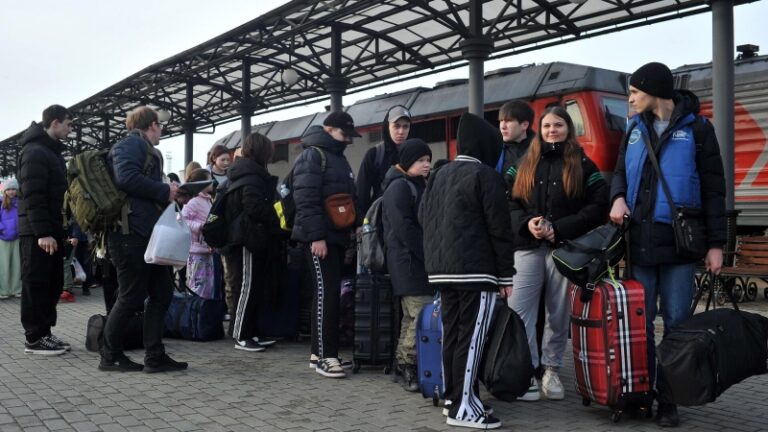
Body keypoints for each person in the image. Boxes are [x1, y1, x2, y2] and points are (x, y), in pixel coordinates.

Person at [609, 62, 726, 428]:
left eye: (635, 92)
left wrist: (716, 244)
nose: (630, 99)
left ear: (655, 91)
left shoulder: (699, 130)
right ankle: (644, 392)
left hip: (679, 245)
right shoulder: (633, 128)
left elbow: (714, 190)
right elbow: (619, 173)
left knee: (677, 322)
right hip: (640, 241)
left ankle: (669, 399)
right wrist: (617, 197)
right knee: (640, 323)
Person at [419, 113, 516, 430]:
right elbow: (500, 229)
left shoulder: (439, 174)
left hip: (442, 272)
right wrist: (505, 275)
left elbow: (423, 217)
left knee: (452, 336)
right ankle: (464, 408)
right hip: (476, 272)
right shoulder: (486, 176)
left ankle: (454, 398)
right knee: (471, 339)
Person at [507, 105, 609, 401]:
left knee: (558, 312)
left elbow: (598, 206)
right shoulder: (522, 164)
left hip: (563, 250)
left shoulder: (583, 164)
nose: (552, 130)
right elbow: (508, 203)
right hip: (527, 246)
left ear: (568, 129)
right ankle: (528, 369)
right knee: (519, 309)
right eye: (547, 126)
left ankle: (551, 369)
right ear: (539, 130)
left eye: (558, 125)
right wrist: (528, 223)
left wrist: (560, 228)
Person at [100, 106, 187, 373]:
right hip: (130, 235)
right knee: (130, 296)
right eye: (160, 126)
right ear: (152, 125)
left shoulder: (141, 148)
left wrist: (171, 193)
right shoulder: (130, 145)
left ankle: (155, 356)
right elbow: (126, 178)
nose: (161, 131)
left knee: (161, 293)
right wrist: (164, 190)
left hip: (146, 234)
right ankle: (110, 355)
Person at [292, 111, 360, 378]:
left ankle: (318, 353)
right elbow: (305, 199)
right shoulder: (313, 156)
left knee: (326, 293)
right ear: (329, 130)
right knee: (327, 294)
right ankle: (326, 356)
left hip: (335, 235)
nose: (348, 141)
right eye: (345, 134)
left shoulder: (336, 157)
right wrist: (316, 236)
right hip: (322, 238)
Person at [16, 104, 72, 355]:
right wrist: (42, 233)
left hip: (51, 229)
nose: (70, 129)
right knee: (36, 283)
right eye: (68, 124)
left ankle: (45, 333)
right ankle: (34, 337)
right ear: (55, 123)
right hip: (38, 232)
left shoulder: (50, 152)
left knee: (52, 283)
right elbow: (33, 195)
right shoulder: (35, 151)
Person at [221, 132, 281, 352]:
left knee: (251, 287)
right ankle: (241, 335)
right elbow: (253, 207)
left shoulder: (243, 173)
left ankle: (251, 332)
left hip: (243, 238)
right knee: (245, 287)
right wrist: (276, 213)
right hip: (246, 239)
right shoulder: (252, 177)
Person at [381, 138, 433, 392]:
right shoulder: (399, 188)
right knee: (420, 315)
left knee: (410, 317)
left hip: (411, 261)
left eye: (428, 160)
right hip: (408, 262)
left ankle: (402, 364)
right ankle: (408, 365)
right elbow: (405, 229)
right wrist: (428, 255)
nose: (426, 164)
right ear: (408, 162)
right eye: (421, 160)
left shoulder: (414, 185)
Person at [356, 105, 412, 213]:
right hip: (381, 216)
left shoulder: (415, 154)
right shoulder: (374, 154)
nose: (401, 131)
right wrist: (362, 219)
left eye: (406, 126)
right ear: (387, 126)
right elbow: (362, 192)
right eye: (396, 126)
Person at [181, 169, 215, 299]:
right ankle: (194, 310)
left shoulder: (208, 200)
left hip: (207, 250)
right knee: (197, 285)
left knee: (208, 286)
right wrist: (200, 226)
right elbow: (182, 220)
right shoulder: (194, 201)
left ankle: (202, 310)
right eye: (209, 179)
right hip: (196, 252)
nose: (212, 181)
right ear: (201, 183)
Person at [498, 100, 535, 187]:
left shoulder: (540, 150)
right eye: (501, 120)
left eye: (508, 121)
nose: (502, 126)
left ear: (524, 125)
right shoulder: (495, 150)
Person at [0, 179, 21, 299]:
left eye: (13, 189)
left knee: (16, 265)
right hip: (3, 238)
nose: (11, 191)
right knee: (4, 265)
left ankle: (16, 289)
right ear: (5, 191)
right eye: (8, 189)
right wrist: (2, 229)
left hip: (17, 237)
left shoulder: (20, 202)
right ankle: (4, 290)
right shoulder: (1, 202)